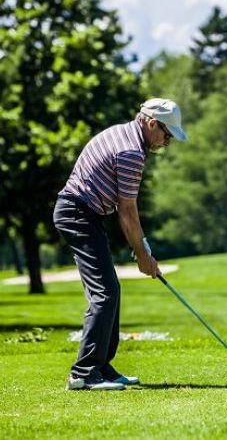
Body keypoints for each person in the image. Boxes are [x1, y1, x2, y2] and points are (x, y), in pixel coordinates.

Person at [53, 98, 188, 390]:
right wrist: (143, 255)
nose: (167, 143)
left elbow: (121, 209)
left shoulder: (123, 133)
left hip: (81, 213)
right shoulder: (131, 152)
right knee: (105, 293)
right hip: (78, 213)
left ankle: (100, 365)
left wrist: (143, 250)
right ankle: (84, 373)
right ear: (152, 123)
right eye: (166, 135)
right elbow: (127, 210)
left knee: (109, 289)